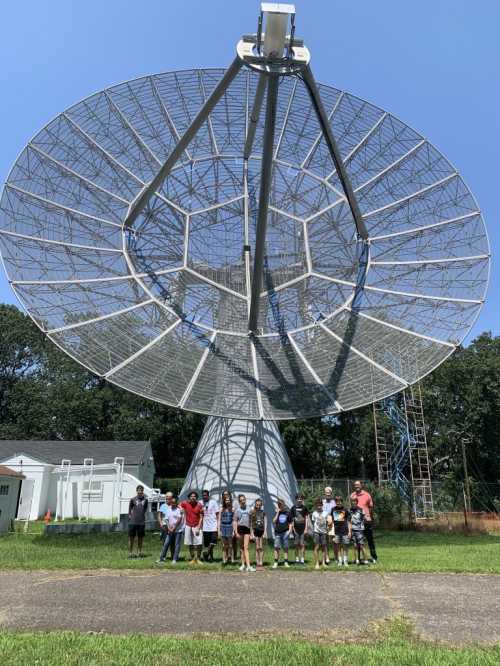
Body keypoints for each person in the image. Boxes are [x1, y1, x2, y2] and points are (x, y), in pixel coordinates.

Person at [350, 480, 377, 563]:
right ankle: (358, 558)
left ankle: (374, 557)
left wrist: (370, 518)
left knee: (370, 540)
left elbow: (371, 507)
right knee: (357, 541)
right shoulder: (352, 495)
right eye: (355, 485)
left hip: (366, 521)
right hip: (356, 523)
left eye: (358, 485)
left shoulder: (367, 495)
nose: (356, 486)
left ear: (361, 485)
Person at [156, 496, 184, 564]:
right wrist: (169, 527)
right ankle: (161, 558)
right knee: (166, 544)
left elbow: (179, 519)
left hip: (178, 530)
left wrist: (174, 527)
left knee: (177, 544)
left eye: (174, 502)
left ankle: (174, 559)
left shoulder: (179, 510)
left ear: (177, 503)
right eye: (172, 502)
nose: (173, 504)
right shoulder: (168, 509)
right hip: (170, 530)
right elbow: (166, 519)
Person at [180, 491, 204, 564]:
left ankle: (198, 558)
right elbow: (178, 505)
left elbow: (201, 517)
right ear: (189, 497)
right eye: (191, 496)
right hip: (188, 525)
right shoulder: (185, 503)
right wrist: (182, 511)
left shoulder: (199, 505)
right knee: (190, 543)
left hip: (197, 526)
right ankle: (193, 558)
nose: (193, 497)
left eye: (194, 496)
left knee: (199, 543)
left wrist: (198, 528)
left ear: (196, 498)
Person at [234, 494, 254, 572]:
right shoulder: (237, 510)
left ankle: (248, 566)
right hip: (240, 528)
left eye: (244, 500)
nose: (243, 501)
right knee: (242, 548)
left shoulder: (249, 509)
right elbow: (235, 521)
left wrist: (252, 533)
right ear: (239, 502)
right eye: (241, 500)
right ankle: (243, 564)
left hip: (247, 529)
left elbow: (251, 522)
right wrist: (236, 532)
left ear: (245, 500)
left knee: (246, 547)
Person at [128, 485, 148, 559]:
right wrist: (130, 517)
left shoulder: (145, 500)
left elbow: (145, 509)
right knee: (131, 538)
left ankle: (139, 552)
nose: (140, 492)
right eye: (139, 490)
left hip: (141, 522)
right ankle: (130, 553)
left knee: (140, 538)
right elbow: (129, 510)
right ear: (137, 491)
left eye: (141, 490)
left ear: (143, 491)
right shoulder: (132, 499)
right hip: (133, 522)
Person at [331, 495, 351, 566]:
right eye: (337, 501)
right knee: (338, 546)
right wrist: (332, 532)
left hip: (345, 531)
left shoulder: (345, 510)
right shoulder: (333, 509)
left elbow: (349, 522)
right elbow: (332, 521)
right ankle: (340, 560)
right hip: (336, 532)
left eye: (339, 501)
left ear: (342, 502)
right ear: (335, 502)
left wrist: (349, 532)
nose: (338, 503)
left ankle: (345, 561)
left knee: (345, 546)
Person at [201, 489, 219, 562]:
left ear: (208, 495)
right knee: (207, 544)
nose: (204, 497)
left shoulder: (213, 502)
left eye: (205, 495)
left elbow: (217, 514)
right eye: (203, 495)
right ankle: (210, 558)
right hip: (205, 527)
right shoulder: (200, 503)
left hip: (213, 525)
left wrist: (218, 525)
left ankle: (207, 553)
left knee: (213, 541)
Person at [272, 498, 291, 569]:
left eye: (281, 504)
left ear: (283, 504)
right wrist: (277, 512)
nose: (280, 506)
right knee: (276, 547)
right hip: (277, 532)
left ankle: (286, 562)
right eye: (278, 504)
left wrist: (289, 531)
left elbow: (290, 522)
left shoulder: (287, 512)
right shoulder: (277, 512)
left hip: (285, 532)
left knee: (285, 548)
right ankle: (276, 562)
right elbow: (273, 521)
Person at [290, 493, 309, 565]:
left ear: (302, 500)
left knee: (302, 544)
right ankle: (297, 560)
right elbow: (292, 519)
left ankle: (302, 560)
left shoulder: (304, 508)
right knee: (296, 545)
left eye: (301, 499)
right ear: (296, 499)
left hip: (303, 529)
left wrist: (306, 528)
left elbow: (306, 518)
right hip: (295, 529)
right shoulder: (293, 508)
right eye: (298, 499)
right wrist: (292, 528)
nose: (299, 500)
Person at [311, 498, 329, 570]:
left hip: (324, 532)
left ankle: (324, 563)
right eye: (317, 505)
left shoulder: (325, 513)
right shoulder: (314, 513)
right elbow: (313, 522)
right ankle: (317, 563)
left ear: (322, 505)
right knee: (317, 547)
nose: (319, 507)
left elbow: (327, 522)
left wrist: (327, 530)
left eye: (320, 505)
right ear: (316, 506)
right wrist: (314, 531)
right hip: (316, 532)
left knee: (324, 547)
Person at [350, 496, 369, 565]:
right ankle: (357, 559)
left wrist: (366, 519)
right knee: (355, 545)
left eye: (355, 501)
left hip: (360, 530)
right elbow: (349, 520)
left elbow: (364, 518)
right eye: (352, 501)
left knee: (361, 545)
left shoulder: (360, 509)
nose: (353, 502)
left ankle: (365, 559)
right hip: (353, 529)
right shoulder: (350, 510)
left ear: (357, 502)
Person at [250, 497, 267, 570]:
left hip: (262, 531)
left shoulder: (263, 512)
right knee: (257, 547)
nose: (258, 506)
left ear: (261, 505)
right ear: (255, 505)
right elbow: (250, 523)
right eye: (257, 505)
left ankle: (261, 562)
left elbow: (266, 522)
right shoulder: (252, 512)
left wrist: (265, 531)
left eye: (259, 505)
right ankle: (257, 562)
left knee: (261, 547)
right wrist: (251, 533)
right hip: (255, 531)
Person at [218, 494, 235, 564]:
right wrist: (219, 530)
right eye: (226, 500)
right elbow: (219, 519)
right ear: (224, 501)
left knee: (230, 544)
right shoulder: (221, 509)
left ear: (230, 501)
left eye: (228, 500)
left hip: (230, 526)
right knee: (224, 545)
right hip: (223, 526)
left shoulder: (232, 509)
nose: (227, 501)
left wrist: (234, 530)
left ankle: (232, 558)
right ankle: (224, 558)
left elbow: (234, 520)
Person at [323, 486, 336, 564]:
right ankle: (327, 557)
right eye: (326, 492)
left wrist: (332, 520)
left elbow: (336, 513)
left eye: (329, 492)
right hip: (324, 523)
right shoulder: (322, 501)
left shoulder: (334, 502)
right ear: (324, 493)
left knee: (334, 541)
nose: (328, 494)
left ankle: (336, 557)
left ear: (331, 493)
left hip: (333, 522)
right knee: (326, 541)